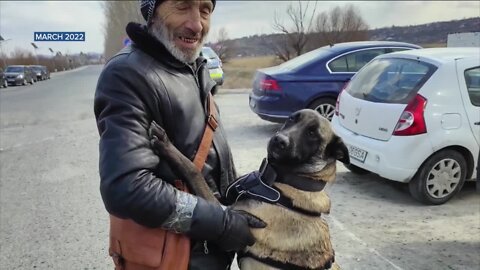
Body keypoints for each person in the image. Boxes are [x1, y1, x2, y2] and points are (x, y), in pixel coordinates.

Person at [94, 0, 264, 269]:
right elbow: (126, 188)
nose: (197, 24)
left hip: (210, 256)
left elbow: (207, 159)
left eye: (205, 9)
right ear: (152, 13)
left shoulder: (192, 67)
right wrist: (221, 224)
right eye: (183, 6)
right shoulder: (127, 74)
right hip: (172, 260)